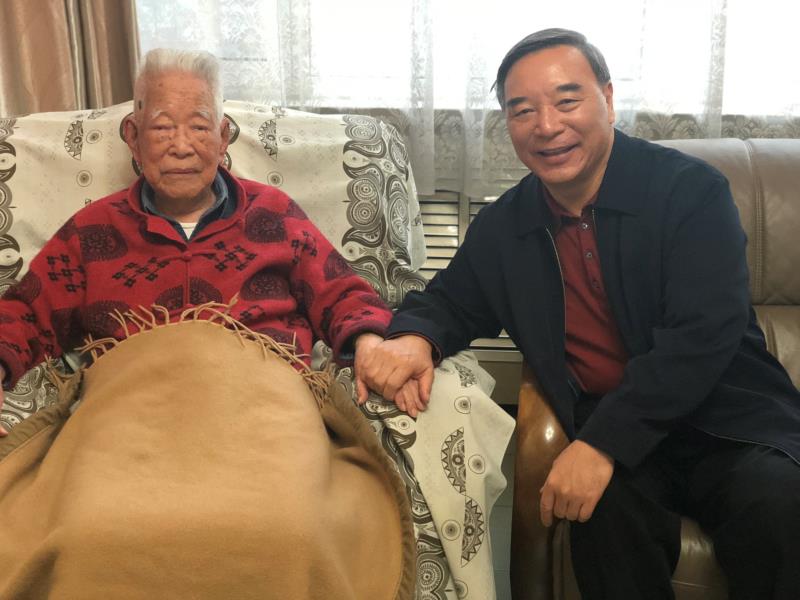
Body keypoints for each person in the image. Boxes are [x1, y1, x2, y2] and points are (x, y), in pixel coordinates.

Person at [356, 28, 800, 600]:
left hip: (728, 420)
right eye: (523, 111)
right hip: (618, 435)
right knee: (598, 515)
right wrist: (416, 339)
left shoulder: (689, 191)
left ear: (608, 100)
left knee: (780, 508)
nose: (546, 126)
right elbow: (449, 300)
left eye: (567, 101)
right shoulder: (506, 226)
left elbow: (701, 335)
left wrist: (602, 444)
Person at [0, 48, 390, 436]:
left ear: (223, 137)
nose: (182, 146)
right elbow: (26, 314)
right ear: (133, 137)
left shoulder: (275, 215)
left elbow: (341, 294)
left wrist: (369, 341)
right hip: (132, 416)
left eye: (200, 127)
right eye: (162, 128)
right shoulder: (93, 231)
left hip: (264, 412)